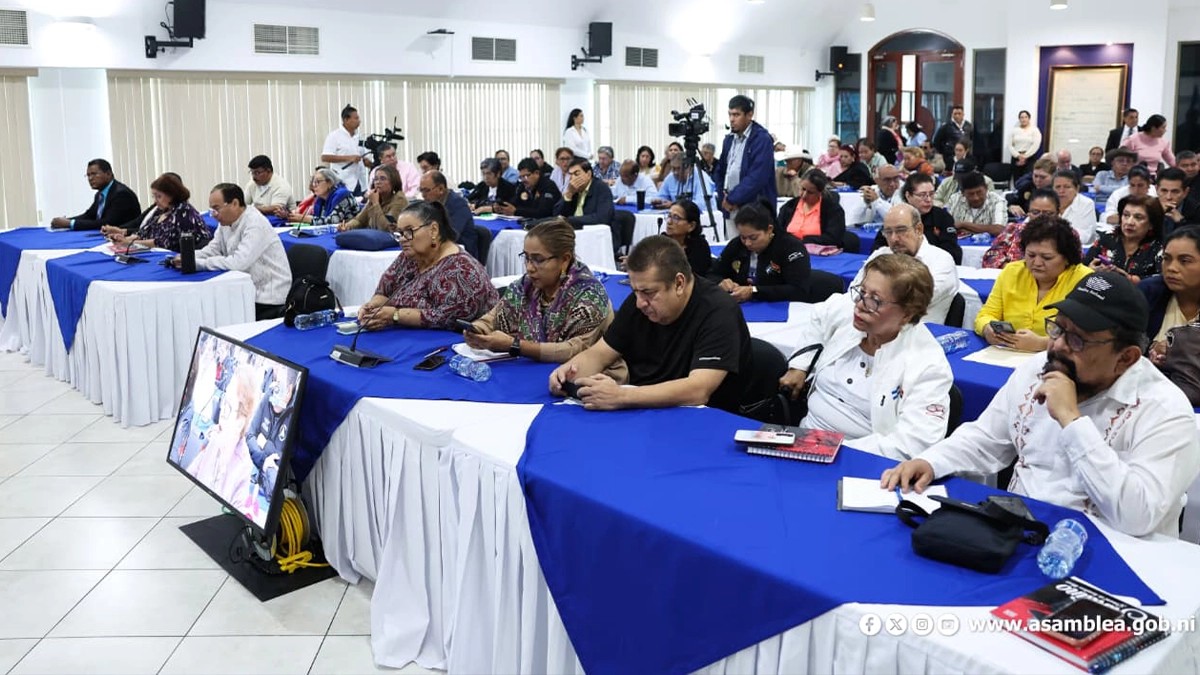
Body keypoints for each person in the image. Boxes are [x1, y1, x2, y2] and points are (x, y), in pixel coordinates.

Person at [883, 271, 1200, 538]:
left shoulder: (1165, 410)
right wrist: (931, 461)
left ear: (1126, 358)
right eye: (1058, 328)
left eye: (1077, 339)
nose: (1058, 345)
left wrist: (1072, 422)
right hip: (1022, 532)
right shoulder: (1039, 368)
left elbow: (1137, 517)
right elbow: (986, 438)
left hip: (1113, 551)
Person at [548, 235, 753, 413]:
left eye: (648, 292)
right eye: (635, 291)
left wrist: (621, 396)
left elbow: (698, 390)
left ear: (679, 283)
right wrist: (570, 371)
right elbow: (600, 353)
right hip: (644, 409)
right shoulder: (638, 302)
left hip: (705, 420)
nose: (640, 303)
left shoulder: (719, 311)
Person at [780, 253, 953, 460]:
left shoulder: (927, 364)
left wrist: (831, 449)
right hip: (804, 441)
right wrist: (800, 365)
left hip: (861, 458)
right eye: (862, 292)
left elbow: (913, 443)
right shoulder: (853, 316)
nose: (860, 304)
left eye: (875, 300)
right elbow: (821, 315)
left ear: (907, 314)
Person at [465, 218, 621, 378]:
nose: (529, 268)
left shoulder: (589, 295)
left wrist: (515, 346)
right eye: (526, 258)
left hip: (590, 377)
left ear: (565, 259)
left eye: (538, 260)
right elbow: (494, 317)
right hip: (534, 369)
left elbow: (575, 349)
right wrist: (478, 330)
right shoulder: (525, 286)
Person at [357, 201, 497, 330]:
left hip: (452, 341)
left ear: (433, 230)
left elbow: (449, 318)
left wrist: (395, 315)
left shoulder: (462, 270)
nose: (402, 239)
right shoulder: (409, 257)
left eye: (409, 231)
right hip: (408, 335)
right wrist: (372, 307)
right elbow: (384, 292)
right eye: (400, 233)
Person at [975, 216, 1092, 352]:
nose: (1036, 263)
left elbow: (1089, 336)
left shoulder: (1084, 280)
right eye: (1030, 255)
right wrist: (987, 328)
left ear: (1067, 258)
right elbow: (986, 314)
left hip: (1061, 357)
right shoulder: (1012, 272)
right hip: (1008, 353)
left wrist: (1042, 343)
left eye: (1046, 257)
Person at [182, 184, 291, 320]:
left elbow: (238, 263)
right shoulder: (226, 222)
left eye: (216, 209)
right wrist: (187, 257)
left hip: (267, 297)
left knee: (212, 313)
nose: (214, 215)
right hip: (243, 289)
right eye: (212, 210)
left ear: (234, 203)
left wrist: (197, 263)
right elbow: (213, 249)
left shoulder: (255, 223)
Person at [852, 204, 958, 323]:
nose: (893, 239)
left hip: (916, 329)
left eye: (901, 230)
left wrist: (870, 297)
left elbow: (910, 303)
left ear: (919, 229)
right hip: (873, 324)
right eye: (888, 232)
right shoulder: (880, 254)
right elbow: (855, 291)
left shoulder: (941, 260)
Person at [709, 202, 810, 302]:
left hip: (779, 306)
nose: (747, 243)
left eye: (753, 238)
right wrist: (721, 282)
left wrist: (754, 291)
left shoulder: (790, 247)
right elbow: (712, 273)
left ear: (769, 229)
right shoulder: (737, 245)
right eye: (743, 237)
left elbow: (799, 289)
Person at [1140, 227, 1200, 367]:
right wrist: (1151, 351)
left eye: (1184, 261)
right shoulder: (1149, 292)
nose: (1171, 268)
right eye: (1166, 259)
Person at [105, 173, 210, 253]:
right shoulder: (162, 210)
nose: (155, 201)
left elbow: (164, 243)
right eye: (153, 196)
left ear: (172, 195)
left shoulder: (184, 212)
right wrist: (123, 239)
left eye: (159, 196)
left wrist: (129, 242)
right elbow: (144, 232)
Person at [874, 173, 962, 264]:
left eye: (931, 194)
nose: (928, 199)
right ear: (908, 196)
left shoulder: (942, 216)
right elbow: (878, 247)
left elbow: (952, 251)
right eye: (922, 195)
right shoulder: (897, 216)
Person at [714, 94, 777, 216]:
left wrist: (733, 198)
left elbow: (757, 177)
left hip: (754, 208)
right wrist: (723, 197)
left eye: (736, 115)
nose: (732, 119)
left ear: (749, 115)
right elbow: (720, 171)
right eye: (730, 114)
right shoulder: (729, 139)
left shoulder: (762, 139)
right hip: (729, 206)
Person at [1084, 194, 1164, 283]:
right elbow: (1083, 266)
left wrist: (1129, 279)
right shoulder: (1107, 237)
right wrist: (1090, 270)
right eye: (1126, 215)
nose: (1129, 222)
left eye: (1138, 217)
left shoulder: (1160, 247)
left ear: (1151, 224)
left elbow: (1162, 281)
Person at [245, 365, 296, 498]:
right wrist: (264, 461)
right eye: (275, 383)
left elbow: (282, 460)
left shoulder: (295, 414)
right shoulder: (268, 395)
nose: (275, 390)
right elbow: (250, 435)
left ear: (289, 390)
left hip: (270, 489)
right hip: (252, 475)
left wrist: (264, 444)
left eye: (280, 387)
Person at [50, 159, 142, 231]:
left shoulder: (121, 194)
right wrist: (66, 221)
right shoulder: (100, 194)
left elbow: (107, 223)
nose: (90, 178)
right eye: (88, 175)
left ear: (108, 174)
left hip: (123, 238)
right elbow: (89, 215)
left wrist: (70, 224)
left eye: (94, 174)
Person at [981, 189, 1061, 269]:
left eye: (1048, 213)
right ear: (1028, 213)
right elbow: (990, 257)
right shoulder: (1013, 230)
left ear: (1058, 213)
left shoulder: (1064, 236)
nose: (1041, 217)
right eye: (1035, 212)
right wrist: (1011, 268)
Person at [418, 170, 478, 259]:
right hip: (440, 249)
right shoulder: (431, 204)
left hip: (461, 255)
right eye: (421, 190)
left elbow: (451, 236)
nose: (423, 195)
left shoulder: (458, 204)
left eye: (426, 190)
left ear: (441, 189)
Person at [777, 170, 846, 247]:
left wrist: (803, 241)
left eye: (810, 192)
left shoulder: (833, 210)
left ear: (820, 192)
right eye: (803, 189)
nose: (804, 195)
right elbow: (778, 232)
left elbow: (833, 238)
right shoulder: (788, 206)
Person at [320, 104, 371, 196]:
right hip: (343, 182)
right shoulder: (334, 136)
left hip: (360, 183)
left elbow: (364, 157)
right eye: (356, 118)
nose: (359, 121)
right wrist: (349, 158)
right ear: (346, 120)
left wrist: (368, 162)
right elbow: (325, 157)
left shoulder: (360, 137)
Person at [554, 157, 615, 231]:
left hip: (592, 232)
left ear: (588, 174)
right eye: (570, 175)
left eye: (576, 174)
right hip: (570, 231)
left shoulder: (601, 188)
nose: (572, 178)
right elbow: (557, 215)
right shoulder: (572, 189)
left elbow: (602, 218)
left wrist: (570, 220)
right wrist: (569, 195)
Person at [340, 164, 407, 232]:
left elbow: (387, 229)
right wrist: (347, 226)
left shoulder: (399, 199)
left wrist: (375, 203)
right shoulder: (375, 197)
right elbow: (359, 220)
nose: (378, 182)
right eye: (376, 179)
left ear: (393, 182)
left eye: (383, 179)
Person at [288, 168, 360, 228]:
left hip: (350, 232)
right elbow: (319, 219)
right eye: (313, 182)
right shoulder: (320, 199)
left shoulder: (342, 195)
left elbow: (334, 221)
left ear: (330, 183)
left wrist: (305, 219)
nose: (314, 185)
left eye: (317, 182)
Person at [495, 157, 562, 220]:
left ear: (536, 173)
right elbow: (516, 202)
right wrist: (503, 207)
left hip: (549, 224)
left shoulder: (548, 186)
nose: (523, 180)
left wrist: (516, 211)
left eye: (526, 176)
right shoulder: (523, 186)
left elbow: (543, 213)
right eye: (521, 177)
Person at [946, 171, 1008, 237]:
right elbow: (947, 227)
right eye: (970, 194)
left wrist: (963, 224)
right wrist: (983, 229)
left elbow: (999, 230)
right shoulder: (955, 199)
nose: (976, 198)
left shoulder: (997, 201)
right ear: (962, 193)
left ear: (986, 188)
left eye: (979, 192)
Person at [662, 199, 713, 277]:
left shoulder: (700, 246)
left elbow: (699, 277)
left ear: (691, 226)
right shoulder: (659, 243)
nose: (669, 222)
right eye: (669, 216)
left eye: (676, 218)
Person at [1052, 170, 1098, 245]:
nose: (1061, 191)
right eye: (1057, 187)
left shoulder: (1086, 204)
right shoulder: (1047, 203)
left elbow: (1084, 236)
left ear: (1077, 189)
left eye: (1067, 187)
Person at [1155, 167, 1200, 233]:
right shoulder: (1148, 207)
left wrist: (1182, 222)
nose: (1168, 197)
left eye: (1175, 192)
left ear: (1185, 192)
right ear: (1156, 189)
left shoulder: (1196, 210)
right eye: (1164, 191)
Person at [1009, 110, 1042, 178]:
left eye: (1026, 117)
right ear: (1019, 119)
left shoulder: (1035, 130)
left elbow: (1035, 145)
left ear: (1029, 118)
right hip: (1016, 158)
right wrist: (1018, 156)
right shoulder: (1014, 130)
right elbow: (1010, 145)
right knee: (1017, 179)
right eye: (1022, 117)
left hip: (1030, 158)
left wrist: (1025, 156)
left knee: (1027, 179)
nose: (1024, 119)